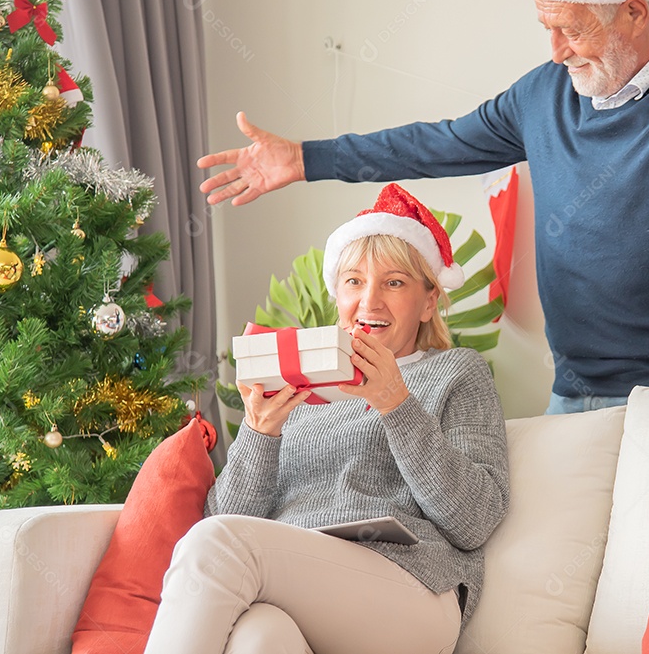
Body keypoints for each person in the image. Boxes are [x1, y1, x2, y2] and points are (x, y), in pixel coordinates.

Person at [197, 0, 649, 414]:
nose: (556, 51)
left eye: (574, 29)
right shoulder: (544, 94)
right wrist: (304, 159)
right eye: (547, 28)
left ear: (635, 11)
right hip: (576, 388)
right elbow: (438, 144)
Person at [144, 184, 510, 654]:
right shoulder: (303, 379)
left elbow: (475, 521)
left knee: (219, 544)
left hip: (413, 590)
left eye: (394, 282)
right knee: (259, 639)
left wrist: (396, 404)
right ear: (337, 294)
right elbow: (228, 521)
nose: (370, 301)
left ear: (428, 301)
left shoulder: (456, 372)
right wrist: (259, 434)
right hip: (300, 586)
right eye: (354, 282)